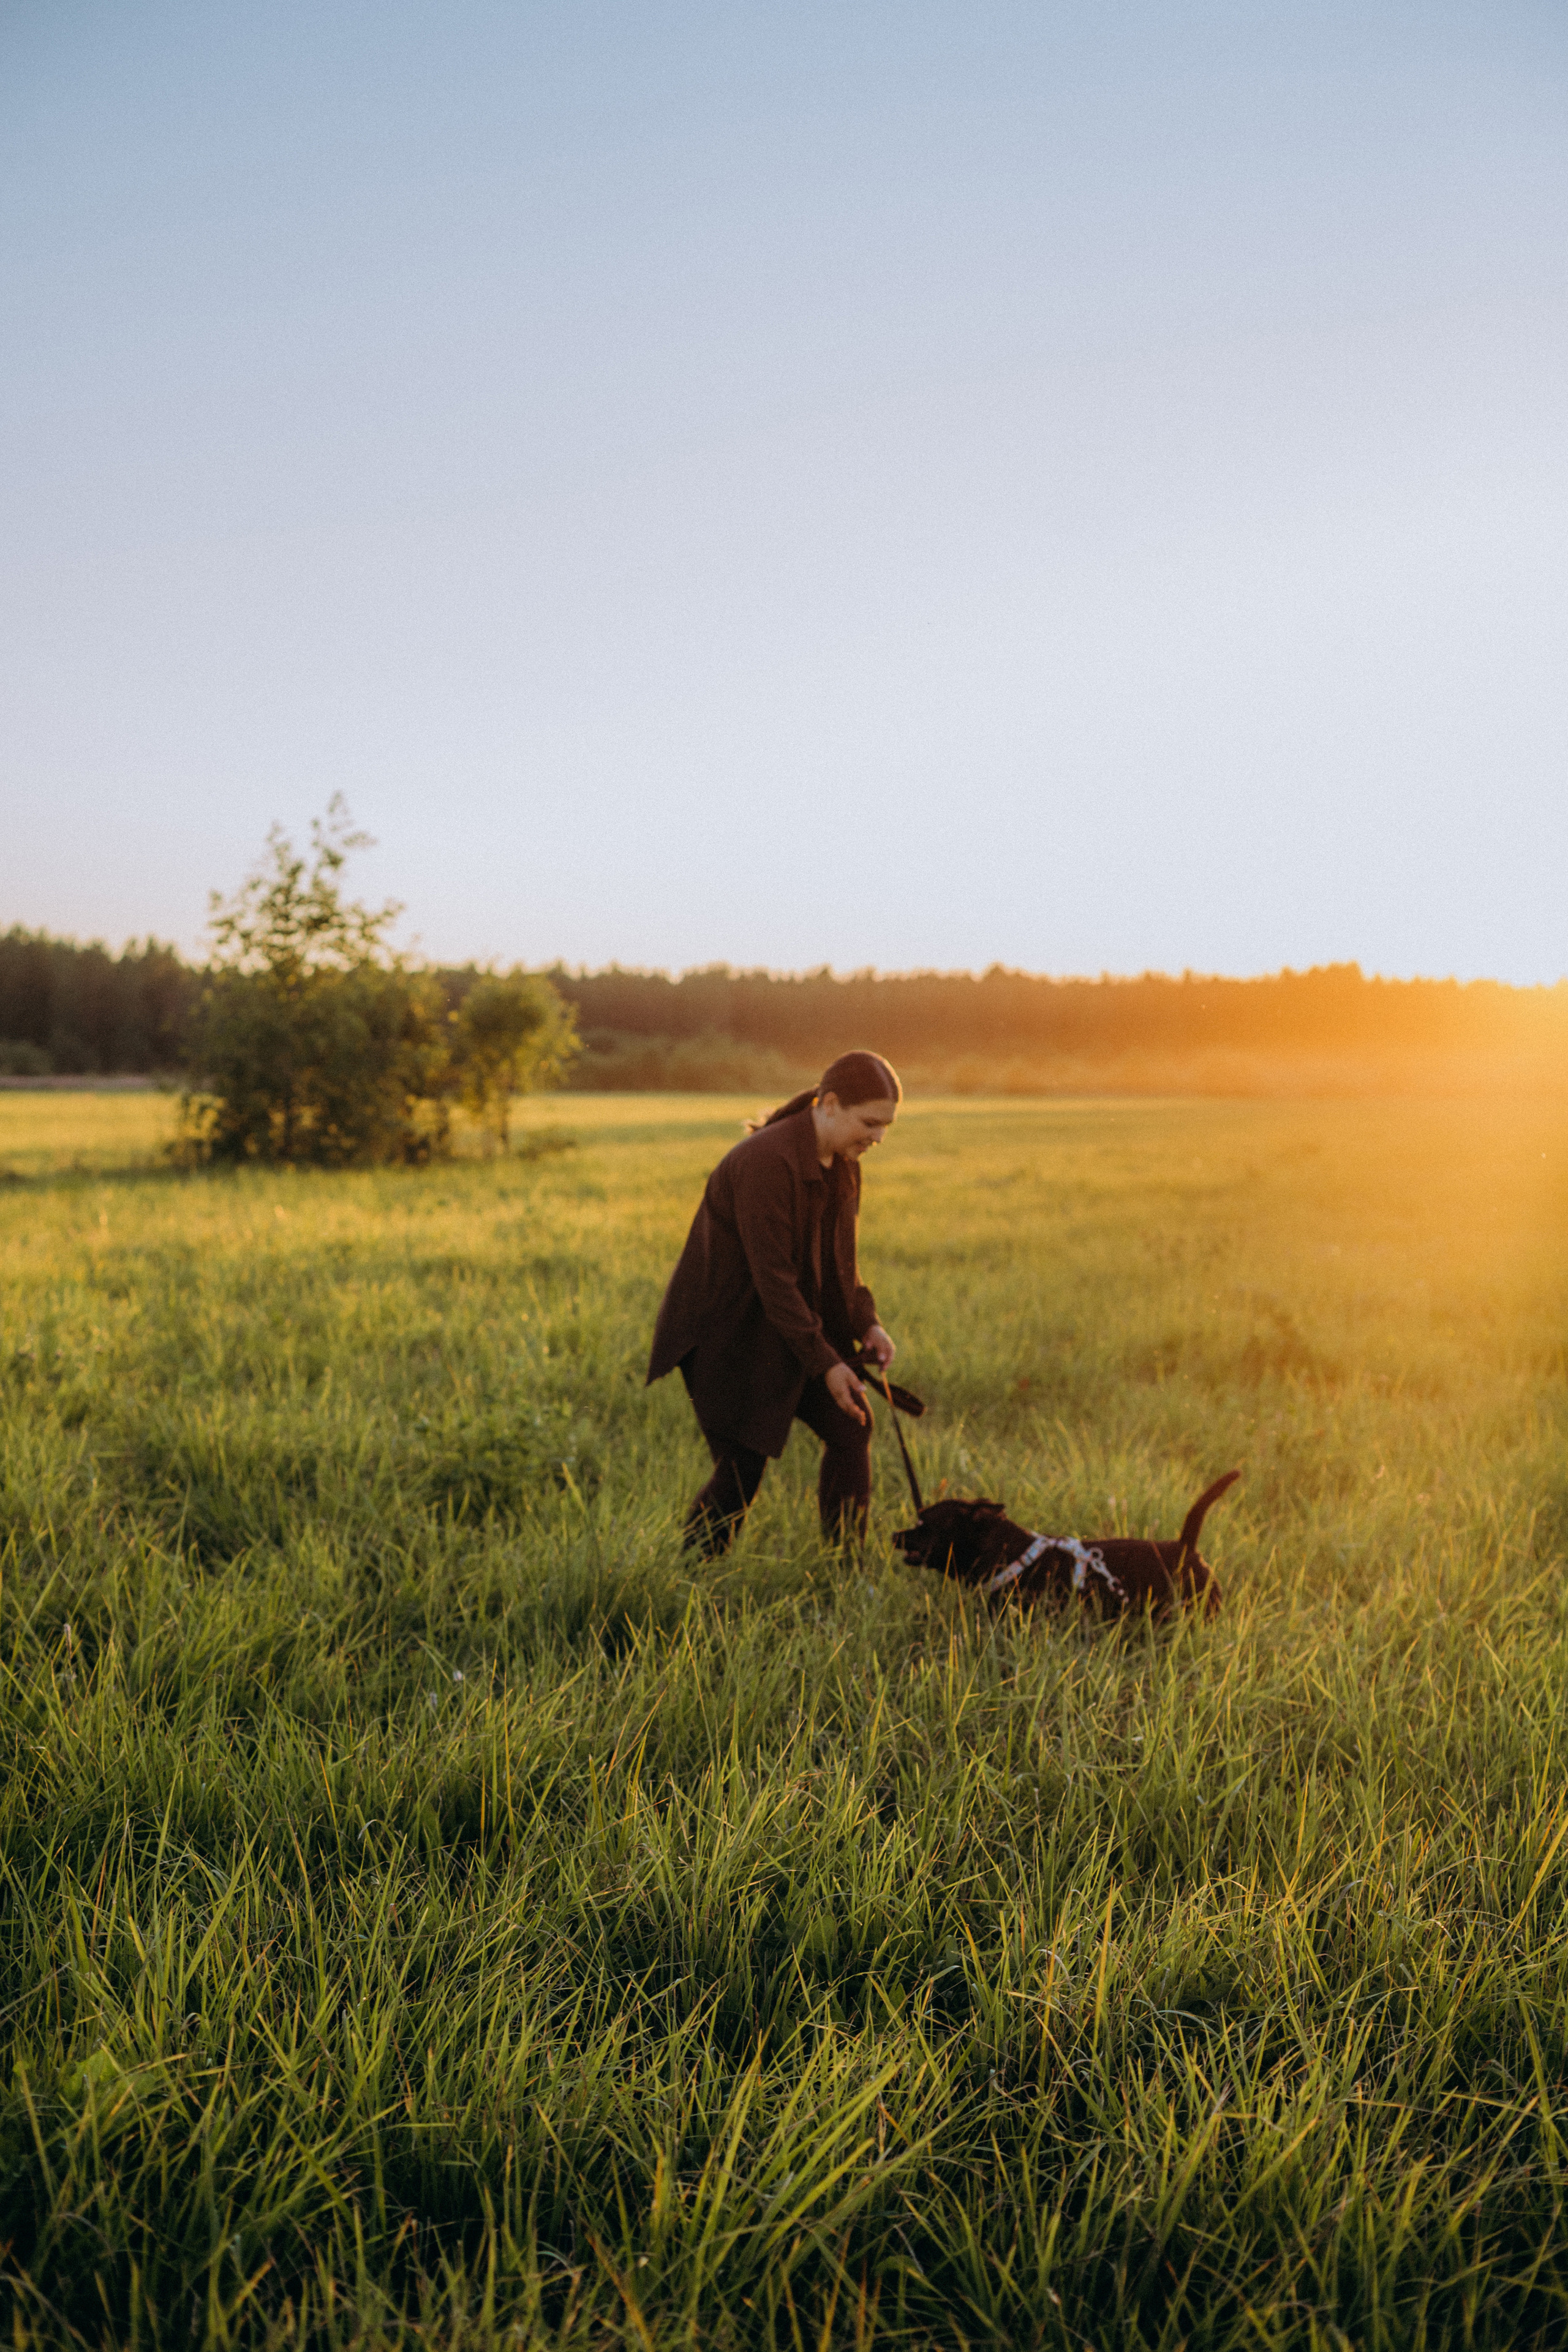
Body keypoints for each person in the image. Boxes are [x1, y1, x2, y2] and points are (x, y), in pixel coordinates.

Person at [647, 1051, 901, 1555]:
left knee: (852, 1428)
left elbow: (839, 1266)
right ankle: (688, 1577)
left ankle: (846, 1569)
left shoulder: (844, 1165)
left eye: (886, 1126)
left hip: (785, 1327)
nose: (878, 1138)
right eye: (870, 1123)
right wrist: (828, 1365)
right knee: (743, 1466)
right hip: (728, 1335)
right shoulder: (767, 1163)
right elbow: (775, 1280)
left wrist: (867, 1323)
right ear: (829, 1104)